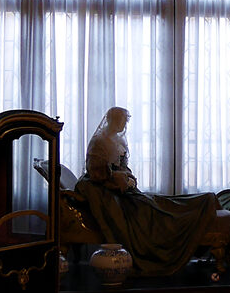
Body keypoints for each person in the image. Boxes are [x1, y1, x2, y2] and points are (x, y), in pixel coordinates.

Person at [74, 107, 220, 275]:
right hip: (106, 190)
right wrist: (119, 180)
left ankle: (202, 201)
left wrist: (128, 178)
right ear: (113, 120)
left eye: (125, 121)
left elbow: (122, 167)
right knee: (148, 209)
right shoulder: (99, 142)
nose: (124, 124)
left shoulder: (118, 140)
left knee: (154, 201)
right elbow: (97, 173)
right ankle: (192, 209)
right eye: (121, 120)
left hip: (122, 189)